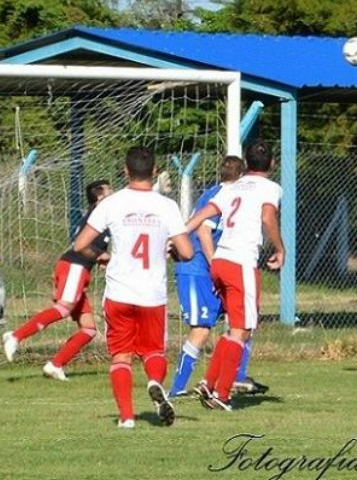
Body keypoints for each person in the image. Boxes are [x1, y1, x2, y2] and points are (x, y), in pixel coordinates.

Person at [73, 147, 193, 429]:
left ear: (125, 171)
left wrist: (103, 256)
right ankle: (154, 382)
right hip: (152, 292)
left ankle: (126, 418)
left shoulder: (111, 203)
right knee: (153, 351)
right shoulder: (167, 206)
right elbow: (187, 252)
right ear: (154, 172)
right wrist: (172, 247)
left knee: (121, 356)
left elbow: (80, 245)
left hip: (119, 292)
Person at [185, 139, 284, 411]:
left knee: (234, 330)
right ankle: (222, 394)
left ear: (246, 163)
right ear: (272, 164)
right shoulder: (271, 187)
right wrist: (280, 247)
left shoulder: (234, 186)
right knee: (243, 330)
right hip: (240, 263)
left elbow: (204, 213)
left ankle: (208, 383)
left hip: (219, 261)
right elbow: (267, 218)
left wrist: (179, 234)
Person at [169, 156, 268, 397]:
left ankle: (236, 376)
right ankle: (176, 389)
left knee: (243, 321)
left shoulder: (233, 195)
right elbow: (203, 232)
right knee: (202, 329)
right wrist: (215, 267)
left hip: (215, 268)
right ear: (243, 175)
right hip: (197, 269)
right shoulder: (220, 194)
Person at [3, 180, 112, 381]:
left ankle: (55, 365)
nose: (113, 194)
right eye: (109, 191)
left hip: (78, 270)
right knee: (63, 308)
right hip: (74, 267)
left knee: (88, 329)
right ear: (100, 197)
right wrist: (99, 256)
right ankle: (15, 336)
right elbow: (82, 247)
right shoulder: (98, 215)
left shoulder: (102, 217)